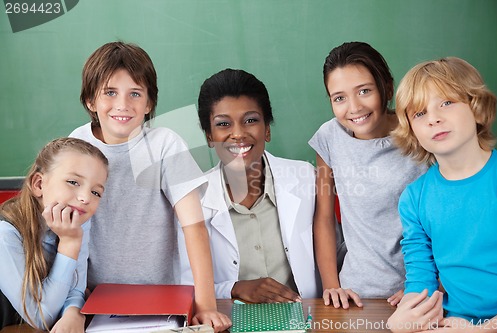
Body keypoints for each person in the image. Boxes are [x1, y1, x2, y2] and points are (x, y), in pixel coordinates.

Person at [70, 41, 230, 331]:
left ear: (149, 104)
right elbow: (69, 230)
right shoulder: (76, 146)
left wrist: (206, 305)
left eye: (135, 93)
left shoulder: (165, 144)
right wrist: (73, 304)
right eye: (110, 92)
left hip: (163, 298)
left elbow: (194, 226)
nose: (122, 104)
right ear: (90, 101)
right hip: (95, 299)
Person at [178, 68, 320, 303]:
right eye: (223, 124)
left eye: (251, 120)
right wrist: (234, 288)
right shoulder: (193, 199)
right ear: (209, 137)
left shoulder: (305, 177)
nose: (238, 134)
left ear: (267, 129)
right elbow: (185, 285)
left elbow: (335, 255)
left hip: (306, 319)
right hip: (229, 322)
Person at [308, 41, 427, 308]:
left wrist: (429, 285)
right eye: (339, 98)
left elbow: (446, 220)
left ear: (387, 87)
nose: (354, 107)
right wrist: (332, 285)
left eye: (364, 91)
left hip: (417, 292)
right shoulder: (329, 137)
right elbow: (325, 217)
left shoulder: (420, 133)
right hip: (355, 294)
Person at [387, 57, 497, 332]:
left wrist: (486, 329)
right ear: (411, 129)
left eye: (446, 103)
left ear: (476, 107)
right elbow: (420, 279)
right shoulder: (414, 198)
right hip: (452, 322)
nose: (434, 118)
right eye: (419, 113)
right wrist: (401, 321)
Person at [0, 137, 108, 332]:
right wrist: (69, 244)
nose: (85, 198)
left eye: (96, 192)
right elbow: (41, 317)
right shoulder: (5, 235)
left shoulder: (76, 219)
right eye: (73, 182)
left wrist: (74, 312)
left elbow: (76, 286)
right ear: (39, 184)